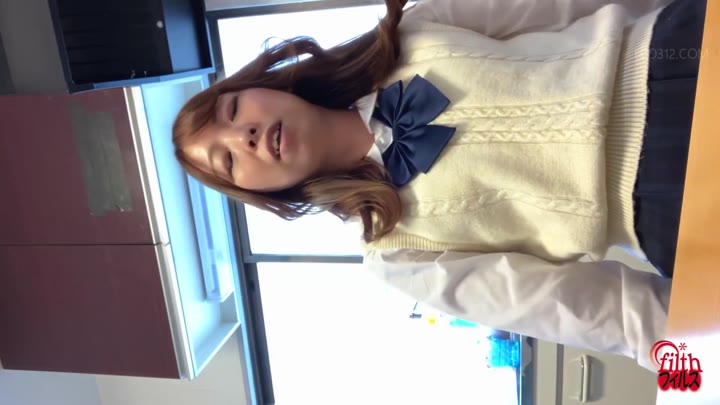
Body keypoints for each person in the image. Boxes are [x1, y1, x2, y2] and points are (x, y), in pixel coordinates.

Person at [172, 0, 706, 371]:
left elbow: (567, 5)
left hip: (681, 48)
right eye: (228, 160)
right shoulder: (397, 254)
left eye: (233, 110)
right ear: (261, 194)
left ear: (263, 86)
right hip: (678, 209)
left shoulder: (414, 29)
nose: (243, 135)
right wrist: (700, 361)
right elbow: (585, 311)